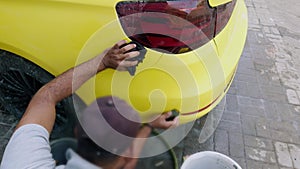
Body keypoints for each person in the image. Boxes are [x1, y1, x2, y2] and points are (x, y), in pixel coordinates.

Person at [0, 40, 179, 169]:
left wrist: (101, 62)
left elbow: (46, 96)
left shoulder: (22, 163)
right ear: (129, 159)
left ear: (77, 131)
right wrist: (146, 125)